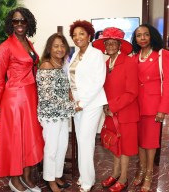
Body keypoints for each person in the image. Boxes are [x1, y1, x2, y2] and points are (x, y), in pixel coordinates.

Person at [0, 7, 44, 192]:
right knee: (15, 139)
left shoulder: (28, 43)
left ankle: (27, 178)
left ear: (28, 23)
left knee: (29, 137)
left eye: (22, 21)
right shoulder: (5, 47)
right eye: (15, 21)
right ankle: (15, 179)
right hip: (14, 99)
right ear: (10, 24)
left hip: (30, 96)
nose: (19, 24)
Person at [93, 27, 139, 192]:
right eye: (108, 42)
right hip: (110, 113)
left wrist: (112, 106)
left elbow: (132, 92)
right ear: (104, 45)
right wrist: (105, 106)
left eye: (114, 43)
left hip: (126, 112)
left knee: (125, 147)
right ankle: (115, 173)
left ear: (120, 45)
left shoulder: (129, 62)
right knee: (114, 145)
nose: (111, 45)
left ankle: (124, 178)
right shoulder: (105, 64)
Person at [69, 20, 107, 192]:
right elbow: (73, 80)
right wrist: (73, 100)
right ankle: (84, 176)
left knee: (85, 141)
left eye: (81, 34)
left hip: (91, 104)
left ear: (89, 35)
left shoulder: (96, 54)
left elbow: (98, 81)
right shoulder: (75, 55)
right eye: (75, 35)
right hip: (77, 104)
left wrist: (82, 103)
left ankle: (88, 181)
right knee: (81, 140)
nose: (77, 38)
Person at [130, 24, 169, 192]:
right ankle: (140, 169)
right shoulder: (134, 57)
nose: (143, 38)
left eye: (146, 34)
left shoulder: (162, 55)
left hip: (153, 106)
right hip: (135, 106)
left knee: (150, 142)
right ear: (135, 39)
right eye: (139, 35)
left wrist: (163, 108)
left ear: (152, 36)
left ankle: (148, 174)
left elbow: (167, 83)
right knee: (139, 141)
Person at [36, 33, 75, 192]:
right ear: (49, 48)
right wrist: (72, 106)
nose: (59, 49)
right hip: (50, 115)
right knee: (51, 148)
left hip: (61, 114)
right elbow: (48, 97)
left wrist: (70, 94)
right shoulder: (46, 65)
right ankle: (49, 179)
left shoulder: (60, 64)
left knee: (62, 146)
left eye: (62, 45)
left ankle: (57, 175)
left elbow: (62, 89)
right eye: (55, 46)